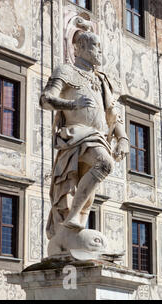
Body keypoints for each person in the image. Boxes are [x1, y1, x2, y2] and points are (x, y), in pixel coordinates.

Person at [40, 30, 129, 235]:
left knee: (84, 183)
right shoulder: (65, 71)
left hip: (97, 137)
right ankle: (73, 218)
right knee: (105, 164)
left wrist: (122, 138)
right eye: (96, 46)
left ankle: (74, 221)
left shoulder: (102, 80)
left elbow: (112, 114)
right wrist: (72, 104)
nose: (100, 51)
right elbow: (45, 99)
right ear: (79, 48)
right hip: (75, 135)